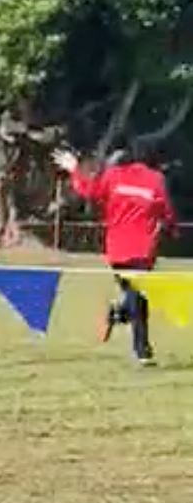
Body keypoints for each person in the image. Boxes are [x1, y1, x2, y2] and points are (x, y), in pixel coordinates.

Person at [53, 143, 179, 365]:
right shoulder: (155, 179)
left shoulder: (113, 176)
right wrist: (172, 229)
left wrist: (74, 169)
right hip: (142, 249)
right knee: (137, 296)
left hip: (117, 250)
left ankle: (141, 348)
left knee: (137, 297)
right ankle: (123, 320)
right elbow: (166, 210)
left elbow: (89, 191)